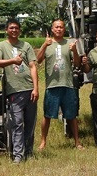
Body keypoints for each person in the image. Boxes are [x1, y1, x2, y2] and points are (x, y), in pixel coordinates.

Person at [0, 18, 39, 163]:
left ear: (20, 30)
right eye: (11, 28)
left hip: (29, 89)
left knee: (30, 123)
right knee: (17, 123)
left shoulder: (26, 46)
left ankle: (28, 152)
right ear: (6, 30)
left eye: (16, 28)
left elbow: (32, 66)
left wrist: (36, 88)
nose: (14, 30)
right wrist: (12, 61)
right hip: (14, 91)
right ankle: (18, 155)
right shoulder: (1, 45)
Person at [35, 18, 83, 150]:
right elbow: (38, 60)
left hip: (68, 84)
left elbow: (78, 64)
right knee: (47, 115)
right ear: (52, 29)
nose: (59, 29)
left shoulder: (70, 44)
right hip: (52, 85)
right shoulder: (48, 44)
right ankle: (43, 142)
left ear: (64, 29)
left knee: (72, 115)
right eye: (56, 27)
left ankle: (77, 142)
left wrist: (74, 51)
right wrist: (44, 45)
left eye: (61, 27)